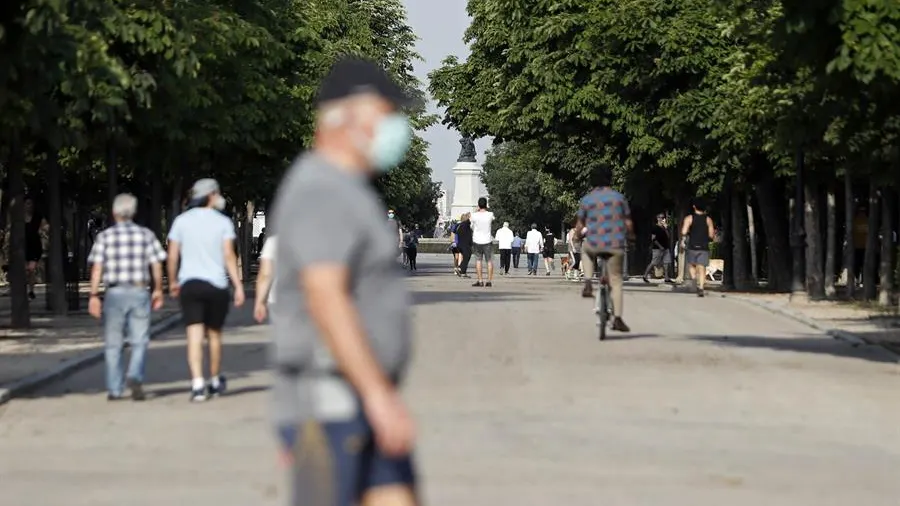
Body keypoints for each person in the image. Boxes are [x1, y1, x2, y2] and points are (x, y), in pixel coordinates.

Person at [269, 57, 419, 506]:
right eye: (389, 113)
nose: (397, 127)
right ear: (352, 116)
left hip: (356, 396)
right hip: (330, 401)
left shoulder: (347, 189)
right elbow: (325, 295)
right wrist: (377, 396)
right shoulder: (322, 190)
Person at [167, 178, 245, 402]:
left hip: (190, 283)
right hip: (216, 284)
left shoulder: (181, 221)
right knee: (214, 334)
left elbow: (173, 255)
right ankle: (214, 379)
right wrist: (237, 285)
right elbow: (229, 255)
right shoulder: (223, 222)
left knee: (193, 333)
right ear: (211, 195)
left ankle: (197, 384)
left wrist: (172, 281)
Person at [87, 193, 167, 401]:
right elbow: (157, 263)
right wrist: (158, 289)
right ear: (134, 212)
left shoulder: (104, 237)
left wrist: (94, 294)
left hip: (114, 293)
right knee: (139, 339)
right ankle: (135, 375)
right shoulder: (146, 235)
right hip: (140, 291)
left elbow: (97, 268)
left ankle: (115, 389)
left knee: (113, 343)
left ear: (114, 213)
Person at [574, 171, 634, 332]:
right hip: (615, 244)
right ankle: (618, 318)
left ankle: (587, 281)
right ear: (610, 181)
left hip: (594, 243)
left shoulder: (587, 200)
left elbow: (580, 225)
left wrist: (577, 237)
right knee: (616, 281)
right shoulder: (619, 198)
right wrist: (631, 237)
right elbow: (628, 223)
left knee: (585, 251)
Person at [680, 199, 715, 297]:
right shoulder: (708, 219)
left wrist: (683, 241)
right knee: (702, 267)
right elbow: (711, 234)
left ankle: (694, 279)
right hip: (704, 246)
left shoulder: (689, 218)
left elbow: (684, 231)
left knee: (692, 264)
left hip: (692, 245)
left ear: (694, 207)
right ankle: (701, 287)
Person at [24, 197, 47, 300]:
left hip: (34, 245)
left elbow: (46, 227)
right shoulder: (19, 218)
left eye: (31, 203)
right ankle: (24, 289)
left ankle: (31, 290)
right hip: (22, 246)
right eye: (27, 203)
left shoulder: (38, 217)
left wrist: (44, 232)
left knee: (31, 269)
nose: (29, 206)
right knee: (24, 269)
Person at [470, 197, 495, 287]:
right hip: (487, 240)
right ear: (486, 205)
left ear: (478, 205)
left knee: (478, 260)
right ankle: (488, 281)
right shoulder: (490, 214)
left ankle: (480, 280)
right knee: (489, 261)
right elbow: (493, 219)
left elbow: (471, 224)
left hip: (477, 240)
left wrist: (477, 211)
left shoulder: (474, 215)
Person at [643, 214, 674, 284]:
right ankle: (645, 275)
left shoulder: (664, 228)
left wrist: (666, 228)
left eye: (663, 218)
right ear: (657, 218)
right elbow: (653, 239)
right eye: (661, 218)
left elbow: (668, 236)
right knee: (654, 262)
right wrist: (660, 246)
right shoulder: (655, 228)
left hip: (665, 248)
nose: (662, 219)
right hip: (657, 248)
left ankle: (666, 277)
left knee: (666, 263)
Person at [254, 233, 276, 323]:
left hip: (278, 297)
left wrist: (259, 302)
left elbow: (265, 274)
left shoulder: (273, 241)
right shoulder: (316, 239)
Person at [455, 213, 474, 278]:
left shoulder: (460, 225)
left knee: (466, 257)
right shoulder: (465, 225)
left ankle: (463, 272)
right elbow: (468, 235)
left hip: (461, 244)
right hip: (465, 245)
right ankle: (460, 268)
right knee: (467, 257)